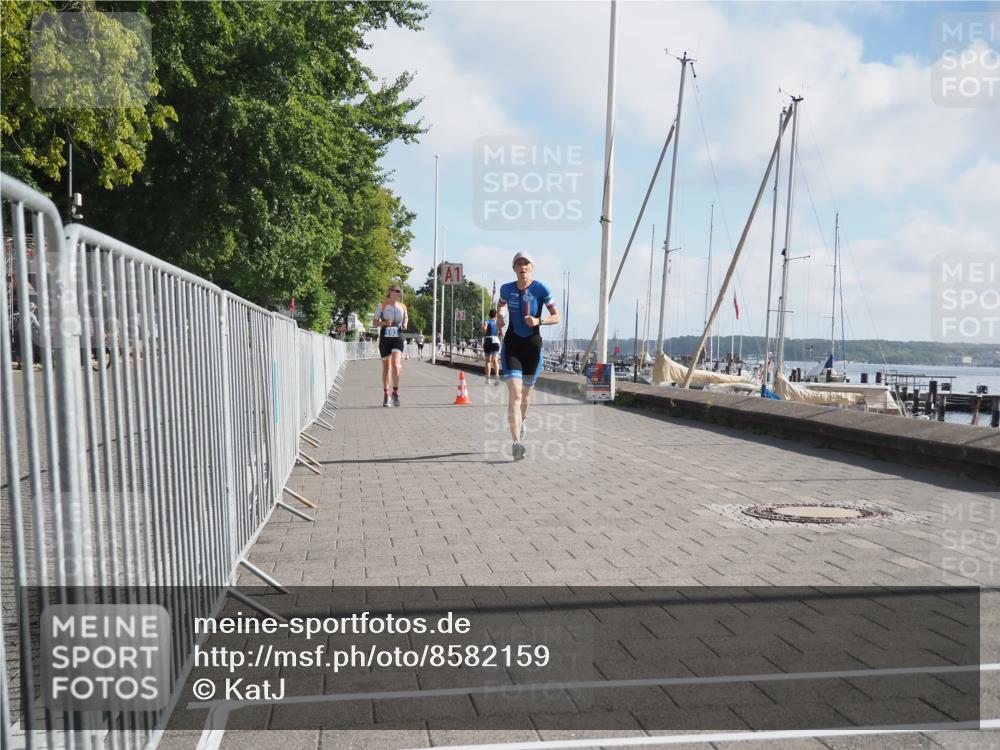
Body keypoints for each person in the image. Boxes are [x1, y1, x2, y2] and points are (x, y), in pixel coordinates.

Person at [497, 252, 559, 461]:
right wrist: (499, 318)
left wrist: (538, 321)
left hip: (532, 346)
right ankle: (516, 443)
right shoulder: (507, 288)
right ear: (514, 268)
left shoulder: (541, 289)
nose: (522, 267)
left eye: (526, 264)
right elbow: (501, 304)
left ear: (532, 267)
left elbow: (556, 316)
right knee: (514, 395)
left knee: (525, 396)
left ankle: (523, 420)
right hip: (513, 344)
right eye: (518, 264)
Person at [373, 284, 408, 407]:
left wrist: (404, 324)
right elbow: (374, 322)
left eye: (399, 291)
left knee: (397, 365)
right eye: (396, 291)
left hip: (397, 336)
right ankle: (386, 395)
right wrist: (384, 323)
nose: (398, 293)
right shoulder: (382, 305)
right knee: (387, 368)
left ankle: (395, 393)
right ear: (390, 292)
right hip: (385, 337)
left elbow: (406, 318)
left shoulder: (402, 306)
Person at [482, 308, 502, 385]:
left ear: (489, 315)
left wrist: (484, 330)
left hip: (488, 340)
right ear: (496, 315)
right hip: (496, 341)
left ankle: (488, 379)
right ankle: (497, 375)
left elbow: (484, 328)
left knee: (488, 361)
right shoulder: (497, 323)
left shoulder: (486, 321)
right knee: (495, 360)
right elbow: (501, 333)